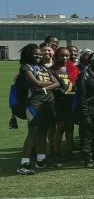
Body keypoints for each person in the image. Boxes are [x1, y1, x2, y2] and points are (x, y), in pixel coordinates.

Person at [16, 44, 61, 175]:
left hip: (48, 103)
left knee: (43, 132)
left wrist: (45, 87)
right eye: (35, 53)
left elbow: (57, 83)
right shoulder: (25, 67)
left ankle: (41, 161)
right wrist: (46, 85)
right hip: (34, 104)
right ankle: (24, 164)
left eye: (40, 54)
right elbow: (35, 83)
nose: (38, 55)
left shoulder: (43, 68)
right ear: (28, 54)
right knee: (33, 133)